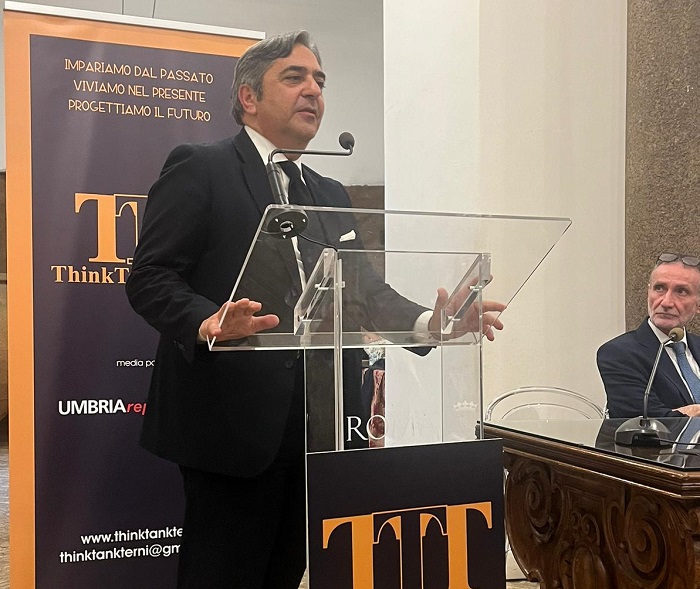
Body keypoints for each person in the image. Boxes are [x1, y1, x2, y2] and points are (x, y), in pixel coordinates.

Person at [126, 31, 505, 589]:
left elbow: (365, 292)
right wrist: (206, 320)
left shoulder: (329, 193)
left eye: (320, 81)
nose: (313, 91)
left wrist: (435, 323)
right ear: (248, 97)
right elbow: (150, 275)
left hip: (321, 428)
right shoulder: (202, 167)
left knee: (286, 574)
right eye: (295, 77)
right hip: (232, 424)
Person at [597, 253, 700, 419]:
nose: (666, 302)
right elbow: (647, 421)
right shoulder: (618, 353)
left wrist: (689, 411)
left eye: (681, 291)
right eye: (659, 288)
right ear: (648, 292)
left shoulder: (697, 346)